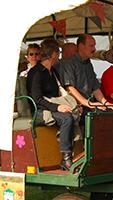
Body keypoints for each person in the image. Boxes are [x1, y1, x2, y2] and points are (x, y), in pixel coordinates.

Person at [28, 39, 79, 170]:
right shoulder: (36, 73)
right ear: (54, 54)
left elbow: (60, 93)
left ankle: (77, 153)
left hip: (51, 107)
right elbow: (37, 99)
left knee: (75, 114)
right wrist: (58, 107)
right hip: (39, 110)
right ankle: (66, 159)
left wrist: (73, 105)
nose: (59, 56)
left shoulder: (53, 72)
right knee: (66, 118)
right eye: (58, 53)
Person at [58, 34, 113, 111]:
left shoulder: (88, 63)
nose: (94, 49)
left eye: (94, 46)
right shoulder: (69, 63)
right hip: (76, 106)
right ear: (81, 46)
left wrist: (105, 103)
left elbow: (95, 88)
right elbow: (70, 88)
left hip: (88, 103)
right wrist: (87, 103)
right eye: (91, 46)